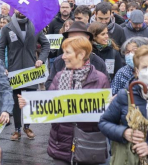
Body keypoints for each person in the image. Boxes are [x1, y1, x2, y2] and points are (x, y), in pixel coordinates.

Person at [20, 36, 110, 164]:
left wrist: (109, 105)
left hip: (88, 144)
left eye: (67, 53)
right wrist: (28, 104)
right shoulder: (59, 76)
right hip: (61, 145)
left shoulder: (101, 79)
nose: (63, 57)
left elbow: (104, 117)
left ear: (81, 54)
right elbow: (48, 105)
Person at [99, 45, 148, 164]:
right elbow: (104, 122)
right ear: (136, 71)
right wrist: (123, 132)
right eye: (144, 67)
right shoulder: (124, 96)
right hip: (130, 159)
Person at [0, 10, 50, 140]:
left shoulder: (36, 26)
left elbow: (46, 45)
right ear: (14, 9)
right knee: (16, 100)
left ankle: (27, 127)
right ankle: (17, 129)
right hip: (14, 70)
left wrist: (41, 59)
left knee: (29, 99)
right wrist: (3, 67)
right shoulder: (6, 28)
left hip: (32, 70)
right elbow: (0, 49)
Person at [45, 21, 109, 90]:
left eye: (79, 38)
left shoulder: (98, 63)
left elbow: (106, 91)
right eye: (71, 38)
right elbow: (49, 85)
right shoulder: (59, 62)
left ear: (87, 38)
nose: (75, 41)